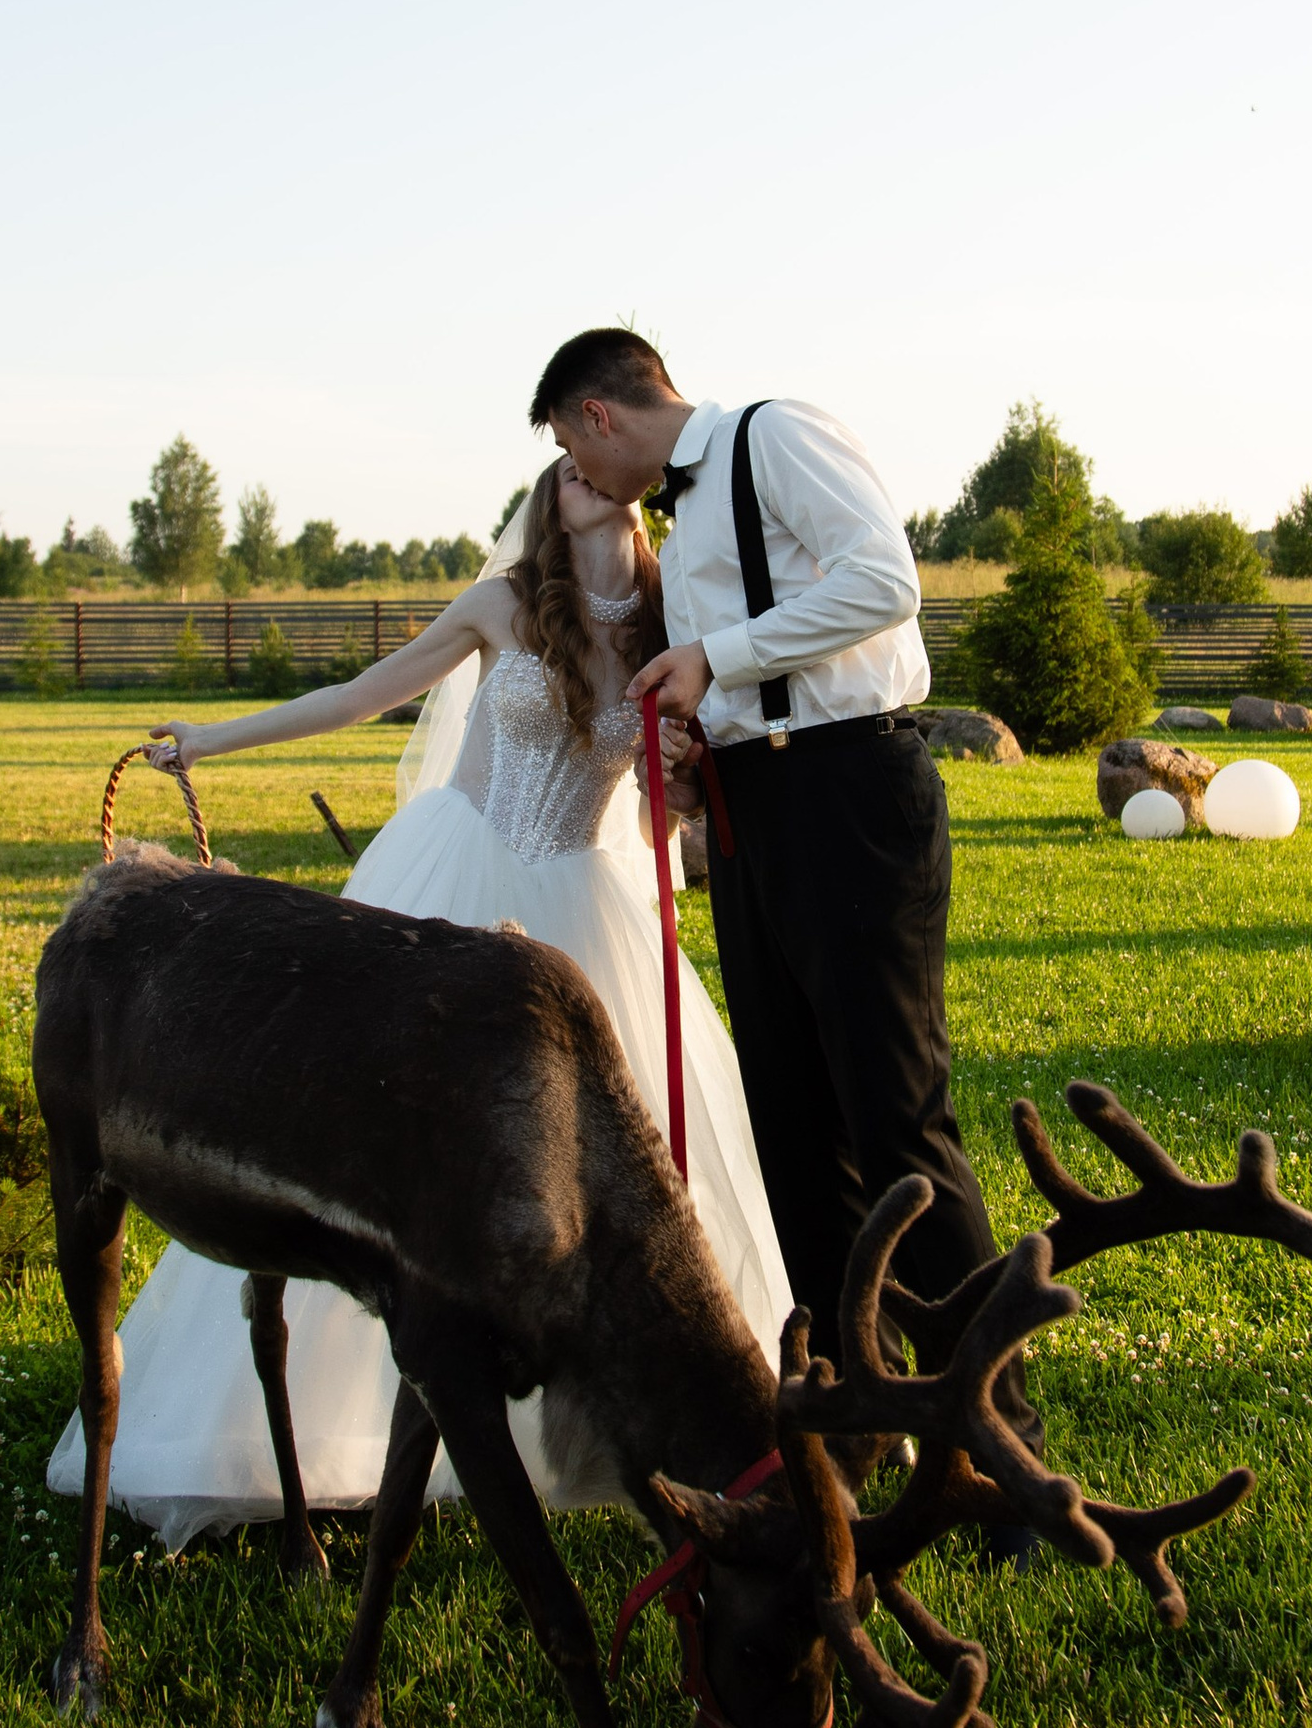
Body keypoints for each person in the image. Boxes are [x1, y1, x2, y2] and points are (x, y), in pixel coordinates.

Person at [43, 455, 790, 1549]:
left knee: (609, 1183)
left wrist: (673, 768)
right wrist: (209, 741)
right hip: (451, 883)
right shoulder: (502, 604)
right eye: (566, 475)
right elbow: (360, 698)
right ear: (545, 501)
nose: (584, 484)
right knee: (370, 1155)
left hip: (583, 911)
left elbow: (647, 833)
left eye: (600, 472)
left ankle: (617, 1425)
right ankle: (290, 1425)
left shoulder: (673, 626)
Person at [532, 326, 999, 1344]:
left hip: (850, 797)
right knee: (792, 1131)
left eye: (575, 450)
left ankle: (996, 1433)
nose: (582, 476)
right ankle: (847, 1415)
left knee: (892, 1118)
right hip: (751, 819)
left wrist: (716, 658)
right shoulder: (680, 522)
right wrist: (696, 755)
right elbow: (737, 681)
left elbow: (883, 583)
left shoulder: (775, 435)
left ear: (599, 415)